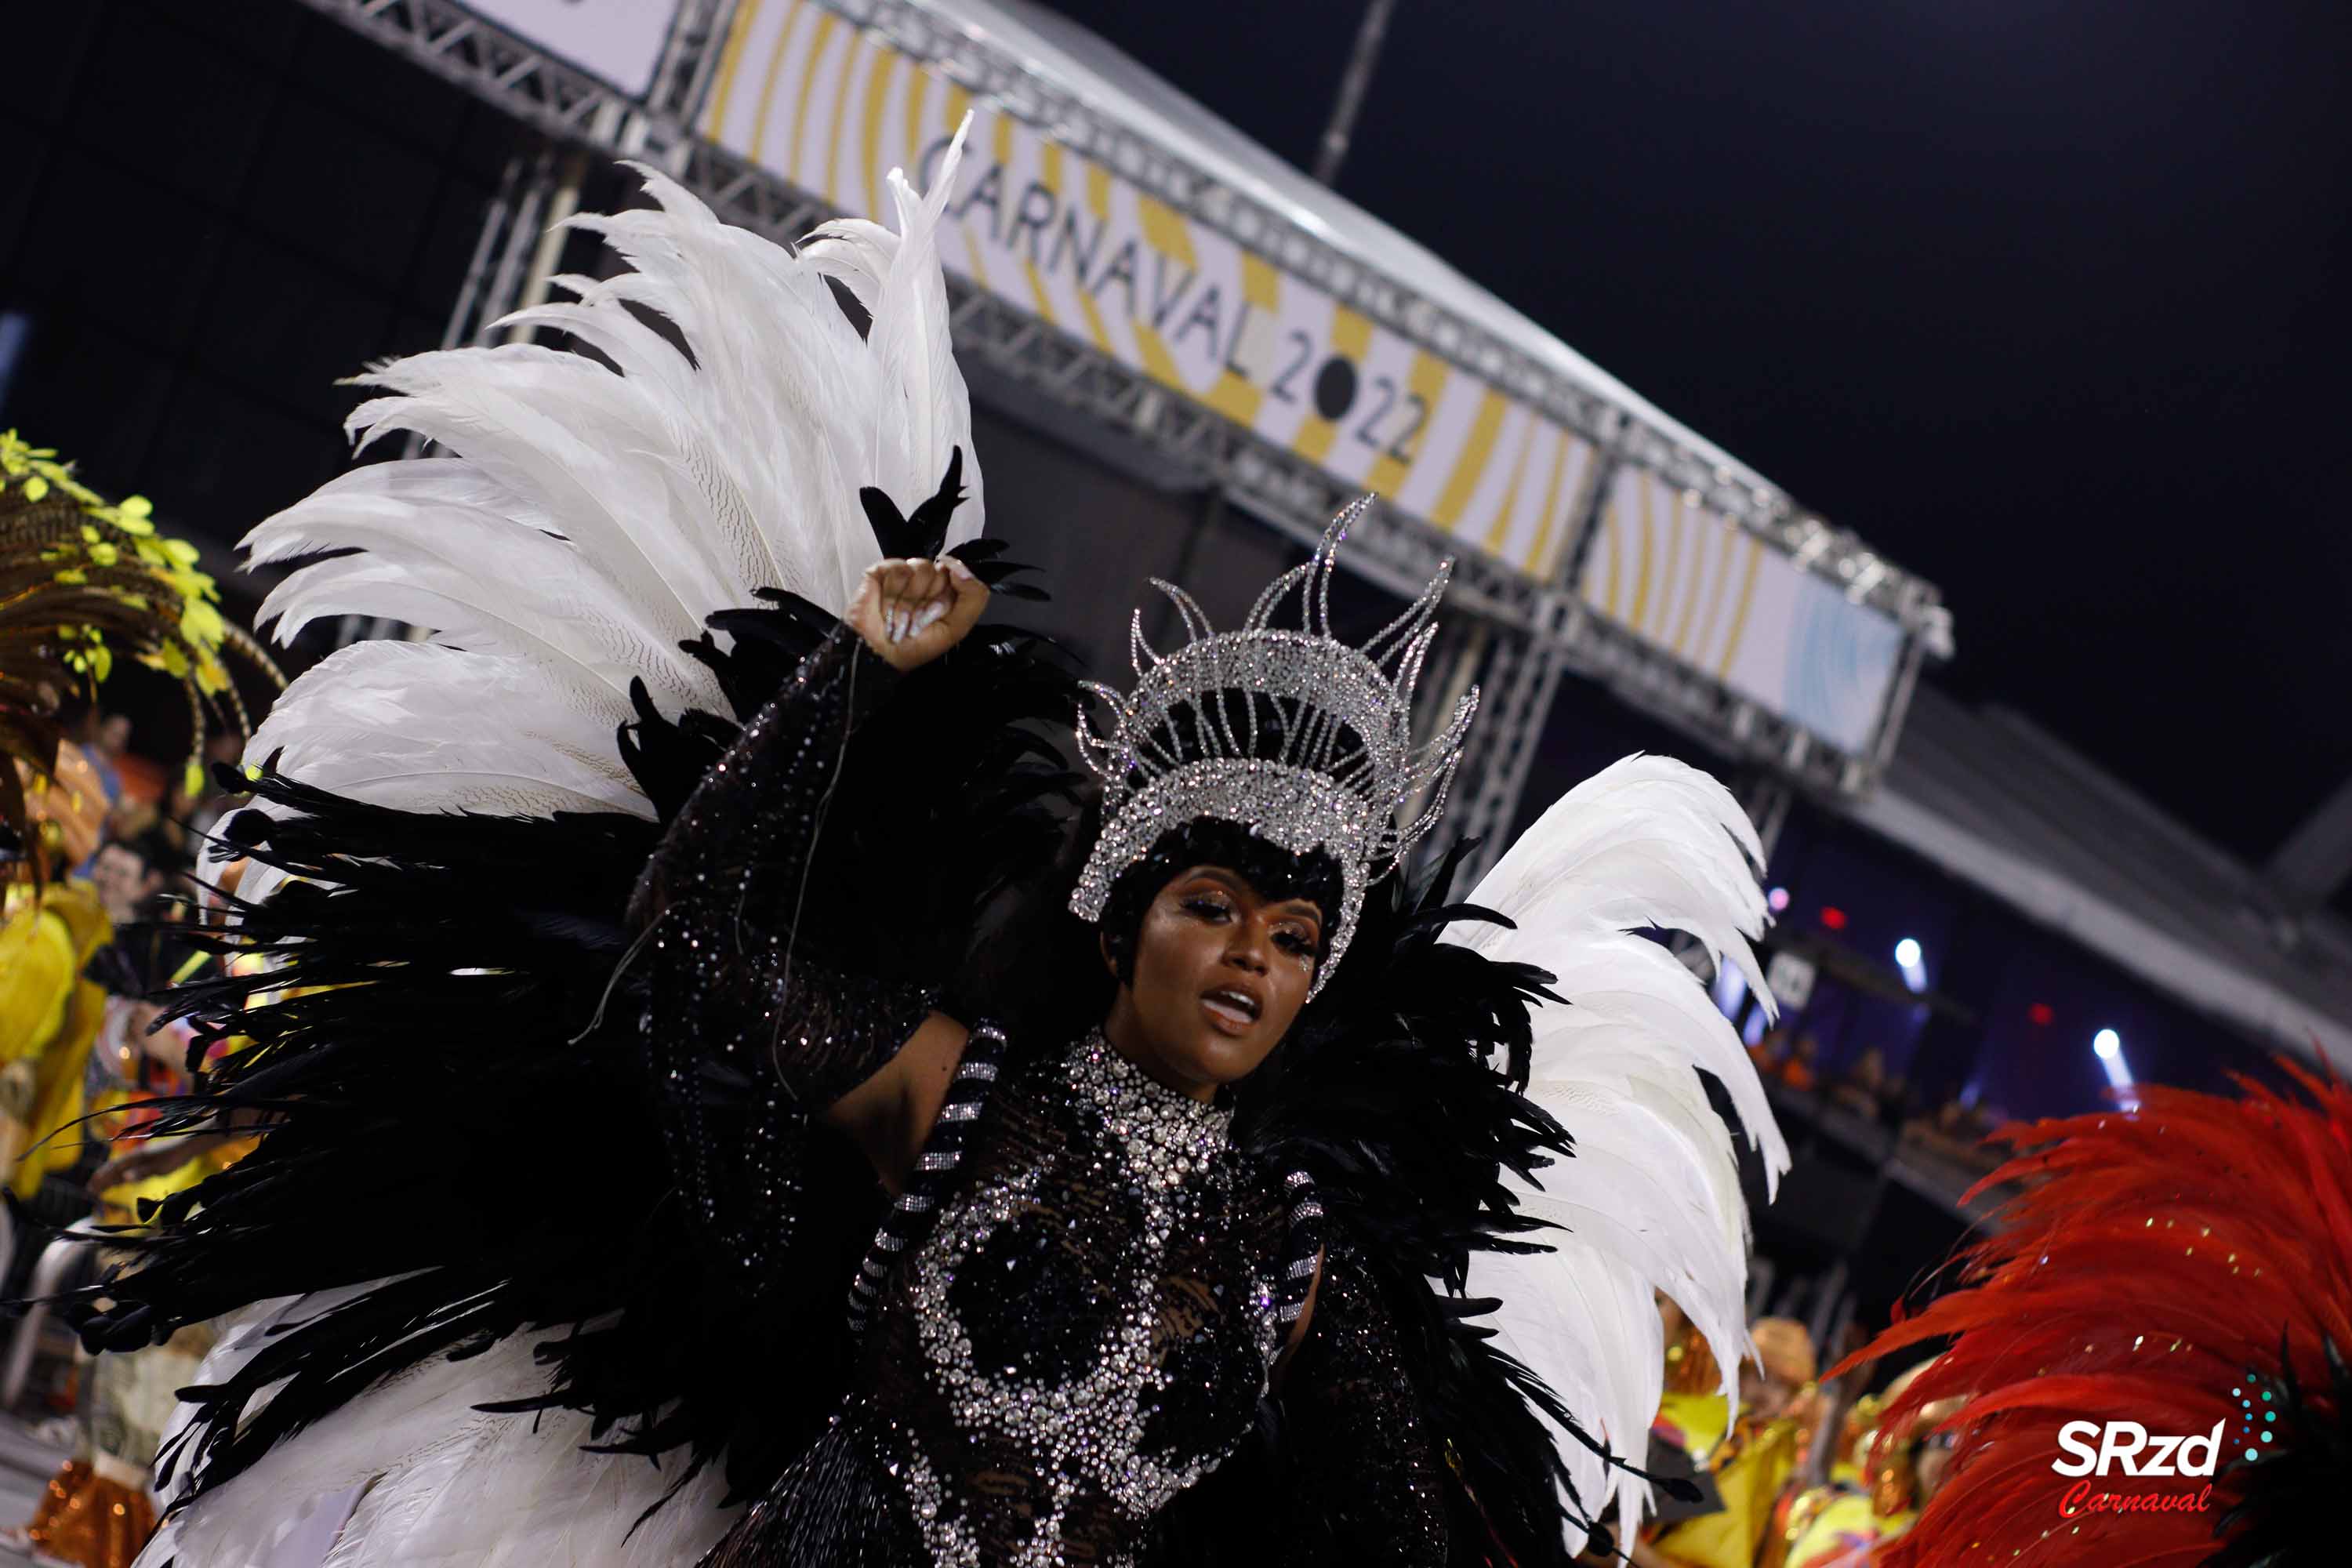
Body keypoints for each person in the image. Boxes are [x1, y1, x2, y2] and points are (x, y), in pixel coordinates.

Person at [42, 125, 1789, 1568]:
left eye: (1292, 931)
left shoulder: (1290, 1248)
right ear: (1121, 916)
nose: (1255, 952)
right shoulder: (962, 1093)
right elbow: (697, 933)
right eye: (1212, 903)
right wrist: (845, 682)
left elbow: (1410, 1535)